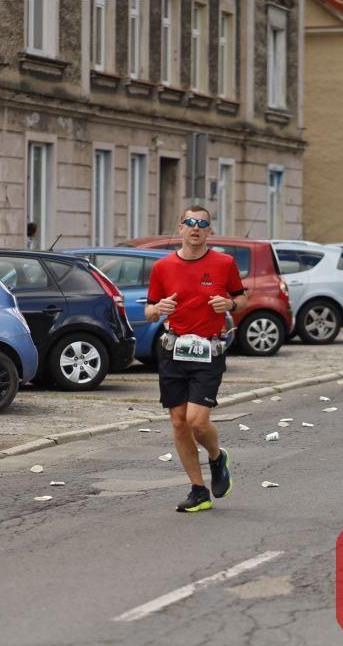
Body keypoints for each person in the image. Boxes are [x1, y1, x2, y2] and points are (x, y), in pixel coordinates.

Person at [145, 205, 248, 512]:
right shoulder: (162, 267)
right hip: (173, 350)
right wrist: (158, 309)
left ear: (209, 231)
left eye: (202, 224)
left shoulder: (224, 263)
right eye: (190, 222)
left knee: (197, 422)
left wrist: (229, 304)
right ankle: (198, 490)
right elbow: (149, 311)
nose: (196, 227)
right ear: (180, 228)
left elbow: (242, 298)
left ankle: (217, 457)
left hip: (208, 351)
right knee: (179, 423)